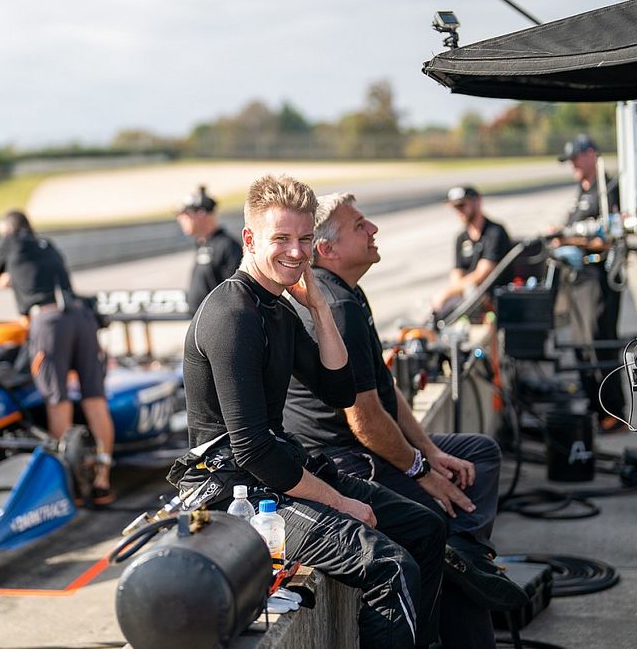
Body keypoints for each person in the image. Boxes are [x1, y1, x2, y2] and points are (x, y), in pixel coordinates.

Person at [168, 175, 446, 648]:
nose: (297, 253)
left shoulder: (276, 305)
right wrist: (341, 503)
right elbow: (251, 448)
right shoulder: (232, 314)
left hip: (277, 471)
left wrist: (317, 307)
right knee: (388, 566)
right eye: (282, 239)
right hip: (234, 490)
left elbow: (337, 390)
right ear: (251, 239)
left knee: (426, 527)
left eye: (304, 240)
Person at [283, 192, 528, 648]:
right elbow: (364, 420)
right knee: (434, 515)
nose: (373, 229)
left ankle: (465, 554)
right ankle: (461, 565)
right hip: (342, 461)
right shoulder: (334, 307)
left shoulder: (348, 295)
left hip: (365, 444)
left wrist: (430, 453)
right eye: (360, 225)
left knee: (479, 454)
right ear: (327, 249)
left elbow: (386, 390)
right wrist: (421, 471)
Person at [0, 210, 116, 504]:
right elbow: (28, 278)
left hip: (49, 324)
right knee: (95, 401)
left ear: (9, 230)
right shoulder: (46, 246)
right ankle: (102, 480)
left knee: (57, 400)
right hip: (81, 318)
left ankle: (67, 483)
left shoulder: (9, 241)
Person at [553, 134, 626, 432]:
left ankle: (613, 410)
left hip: (599, 278)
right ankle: (594, 406)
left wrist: (567, 238)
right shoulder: (580, 191)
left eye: (576, 158)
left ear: (592, 154)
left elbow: (607, 239)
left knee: (600, 343)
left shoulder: (608, 190)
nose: (572, 165)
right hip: (577, 279)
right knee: (580, 345)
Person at [430, 185, 513, 318]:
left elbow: (483, 274)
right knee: (439, 311)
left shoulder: (495, 232)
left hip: (492, 295)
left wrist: (448, 293)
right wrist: (453, 292)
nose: (459, 211)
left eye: (462, 205)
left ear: (477, 201)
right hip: (468, 293)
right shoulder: (461, 237)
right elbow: (457, 272)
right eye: (455, 207)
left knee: (454, 300)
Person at [175, 185, 243, 312]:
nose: (180, 220)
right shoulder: (202, 244)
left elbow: (235, 293)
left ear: (201, 215)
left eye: (186, 215)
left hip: (217, 323)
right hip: (200, 320)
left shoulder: (227, 246)